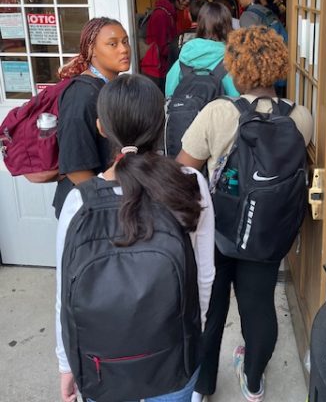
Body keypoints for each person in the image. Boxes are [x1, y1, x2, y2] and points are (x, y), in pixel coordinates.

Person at [55, 74, 215, 402]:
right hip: (173, 356)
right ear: (161, 124)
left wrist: (66, 363)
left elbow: (64, 293)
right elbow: (204, 276)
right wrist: (190, 333)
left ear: (102, 128)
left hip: (101, 365)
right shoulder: (190, 184)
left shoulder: (79, 201)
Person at [176, 26, 313, 402]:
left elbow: (184, 169)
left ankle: (203, 388)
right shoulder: (301, 117)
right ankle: (253, 381)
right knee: (259, 306)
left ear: (234, 68)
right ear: (278, 65)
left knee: (210, 309)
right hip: (267, 232)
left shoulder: (218, 113)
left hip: (217, 230)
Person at [52, 17, 131, 219]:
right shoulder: (81, 95)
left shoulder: (110, 88)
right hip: (86, 208)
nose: (123, 49)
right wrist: (104, 207)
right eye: (112, 44)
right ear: (91, 50)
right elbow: (76, 167)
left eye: (125, 41)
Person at [165, 1, 239, 98]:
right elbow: (237, 98)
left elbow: (169, 95)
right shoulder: (232, 62)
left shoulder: (182, 60)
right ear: (228, 25)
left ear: (200, 25)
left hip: (187, 112)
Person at [141, 0, 194, 91]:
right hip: (156, 71)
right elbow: (162, 47)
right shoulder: (161, 15)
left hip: (160, 68)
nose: (187, 2)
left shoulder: (169, 13)